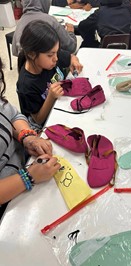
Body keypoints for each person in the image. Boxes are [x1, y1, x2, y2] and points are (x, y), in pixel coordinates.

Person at [0, 56, 61, 218]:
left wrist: (27, 137)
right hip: (9, 204)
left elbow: (12, 115)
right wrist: (28, 177)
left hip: (25, 166)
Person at [17, 20, 83, 132]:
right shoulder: (26, 85)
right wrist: (51, 97)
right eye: (50, 55)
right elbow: (38, 119)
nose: (56, 58)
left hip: (62, 106)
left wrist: (74, 61)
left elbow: (70, 56)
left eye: (56, 52)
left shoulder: (50, 58)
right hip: (46, 123)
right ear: (32, 54)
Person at [12, 0, 77, 57]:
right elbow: (71, 47)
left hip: (26, 66)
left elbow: (15, 52)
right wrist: (70, 32)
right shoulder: (50, 20)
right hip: (48, 68)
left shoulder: (20, 22)